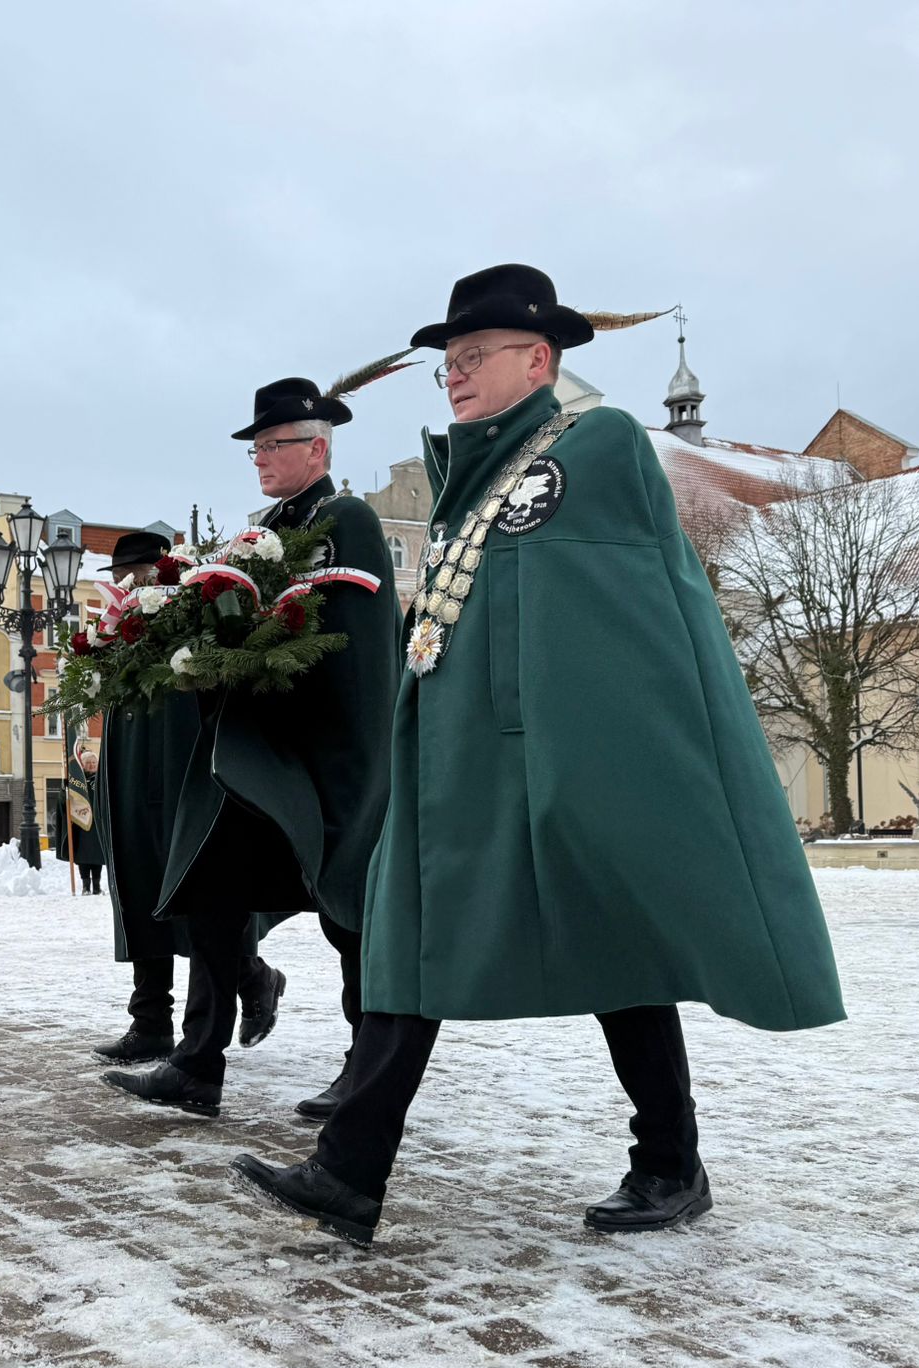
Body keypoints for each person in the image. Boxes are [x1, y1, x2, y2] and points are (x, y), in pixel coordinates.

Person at [231, 264, 844, 1244]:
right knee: (412, 938)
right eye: (447, 361)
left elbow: (614, 608)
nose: (455, 375)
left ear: (539, 359)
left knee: (615, 942)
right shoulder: (476, 475)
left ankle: (669, 1161)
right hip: (464, 763)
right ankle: (349, 1171)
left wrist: (579, 749)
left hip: (556, 756)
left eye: (473, 356)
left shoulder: (592, 444)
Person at [104, 381, 399, 1117]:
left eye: (272, 444)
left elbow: (352, 642)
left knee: (349, 915)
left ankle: (365, 1067)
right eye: (255, 447)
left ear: (317, 448)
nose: (260, 457)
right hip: (262, 754)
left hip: (327, 754)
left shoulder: (347, 520)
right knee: (212, 888)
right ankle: (197, 1063)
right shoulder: (267, 530)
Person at [92, 530, 285, 1067]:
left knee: (194, 886)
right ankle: (149, 1021)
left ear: (163, 571)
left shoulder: (188, 616)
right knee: (139, 886)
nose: (126, 582)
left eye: (136, 572)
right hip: (130, 770)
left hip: (181, 763)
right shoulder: (117, 628)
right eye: (120, 575)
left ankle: (252, 977)